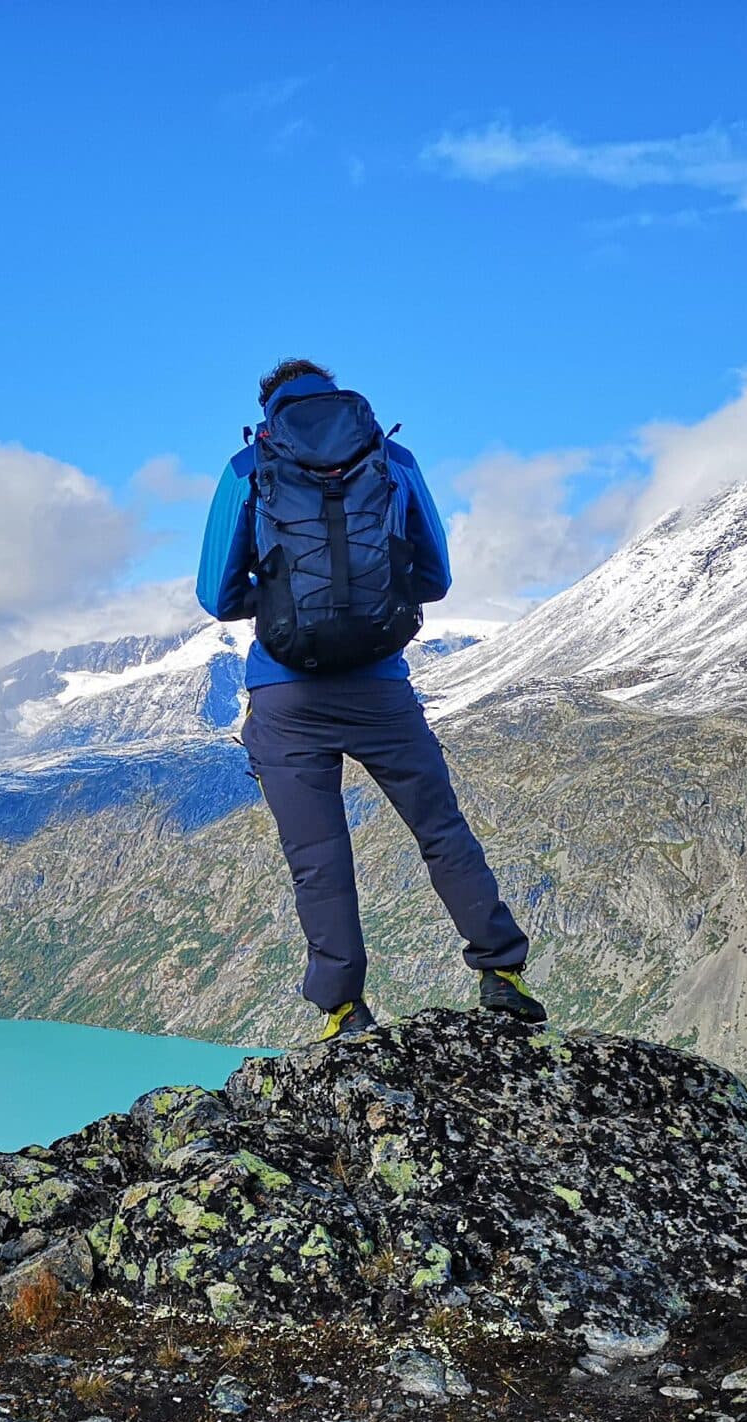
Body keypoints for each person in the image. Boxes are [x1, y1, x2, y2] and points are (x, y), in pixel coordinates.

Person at [196, 357, 544, 1041]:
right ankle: (501, 973)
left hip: (286, 692)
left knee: (318, 856)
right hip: (381, 688)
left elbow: (217, 595)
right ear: (338, 395)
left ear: (270, 408)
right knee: (441, 831)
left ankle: (342, 1010)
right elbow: (436, 576)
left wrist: (282, 603)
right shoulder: (393, 457)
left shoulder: (247, 468)